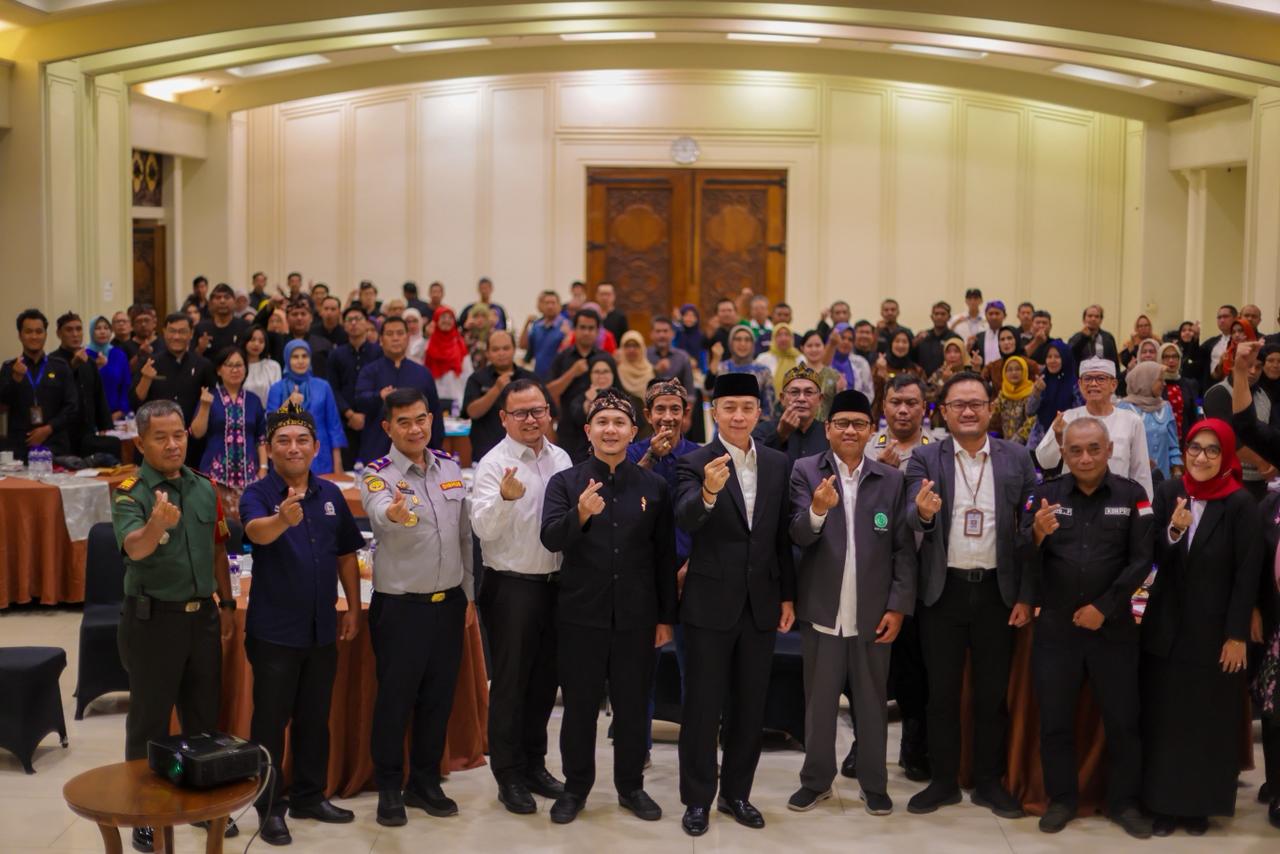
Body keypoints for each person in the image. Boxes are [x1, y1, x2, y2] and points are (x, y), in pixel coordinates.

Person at [539, 389, 677, 824]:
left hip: (637, 617)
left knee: (633, 706)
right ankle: (575, 788)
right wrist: (580, 514)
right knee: (579, 707)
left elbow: (664, 557)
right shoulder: (566, 483)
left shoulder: (654, 487)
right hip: (581, 614)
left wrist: (665, 618)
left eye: (619, 423)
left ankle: (631, 787)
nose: (611, 430)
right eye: (603, 422)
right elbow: (551, 538)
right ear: (589, 431)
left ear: (634, 432)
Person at [904, 370, 1035, 819]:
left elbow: (1028, 530)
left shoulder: (1017, 457)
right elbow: (910, 518)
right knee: (941, 694)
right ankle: (943, 781)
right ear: (944, 411)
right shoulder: (926, 458)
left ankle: (988, 783)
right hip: (943, 593)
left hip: (998, 593)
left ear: (990, 408)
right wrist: (923, 514)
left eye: (976, 403)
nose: (967, 411)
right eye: (958, 404)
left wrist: (1025, 594)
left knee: (990, 696)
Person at [674, 372, 797, 837]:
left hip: (760, 602)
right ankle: (697, 799)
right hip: (709, 603)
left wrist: (787, 595)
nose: (739, 416)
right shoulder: (693, 461)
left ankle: (736, 794)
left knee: (750, 707)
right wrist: (707, 491)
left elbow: (781, 538)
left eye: (747, 407)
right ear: (714, 413)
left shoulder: (778, 463)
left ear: (760, 412)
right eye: (729, 408)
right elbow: (686, 517)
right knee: (702, 707)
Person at [111, 399, 236, 852]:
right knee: (149, 721)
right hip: (153, 622)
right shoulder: (130, 490)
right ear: (141, 442)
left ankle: (203, 805)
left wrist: (227, 603)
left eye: (178, 435)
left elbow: (218, 548)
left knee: (203, 718)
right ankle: (143, 812)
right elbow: (134, 548)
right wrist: (155, 526)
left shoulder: (203, 487)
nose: (172, 445)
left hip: (202, 618)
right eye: (160, 437)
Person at [1023, 417, 1155, 838]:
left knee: (1123, 721)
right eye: (1076, 450)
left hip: (1113, 630)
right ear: (1063, 453)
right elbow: (1020, 556)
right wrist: (1036, 536)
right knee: (1055, 720)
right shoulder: (1044, 496)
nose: (1085, 458)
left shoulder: (1133, 496)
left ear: (1109, 449)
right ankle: (1062, 800)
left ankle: (1125, 803)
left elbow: (1144, 561)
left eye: (1094, 449)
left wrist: (1104, 606)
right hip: (1057, 630)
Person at [786, 389, 916, 816]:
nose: (849, 430)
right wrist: (817, 511)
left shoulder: (890, 480)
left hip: (873, 612)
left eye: (858, 424)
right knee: (819, 704)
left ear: (871, 431)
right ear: (828, 429)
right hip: (823, 608)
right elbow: (797, 535)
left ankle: (874, 784)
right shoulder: (806, 471)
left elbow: (903, 549)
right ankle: (815, 781)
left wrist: (897, 606)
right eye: (841, 423)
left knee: (872, 704)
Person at [239, 404, 365, 845]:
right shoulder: (257, 493)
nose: (293, 448)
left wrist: (352, 608)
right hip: (274, 632)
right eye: (284, 441)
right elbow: (255, 532)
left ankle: (311, 796)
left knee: (315, 718)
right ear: (269, 448)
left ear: (315, 447)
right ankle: (269, 807)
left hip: (321, 628)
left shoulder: (330, 494)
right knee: (270, 723)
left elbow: (346, 553)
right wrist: (282, 519)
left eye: (302, 440)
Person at [359, 389, 475, 827]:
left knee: (437, 699)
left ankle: (425, 782)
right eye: (404, 422)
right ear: (387, 427)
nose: (415, 429)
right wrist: (392, 513)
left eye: (421, 419)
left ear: (431, 420)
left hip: (449, 604)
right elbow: (378, 513)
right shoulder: (378, 475)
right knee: (395, 700)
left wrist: (469, 595)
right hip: (401, 607)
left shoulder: (449, 467)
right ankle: (390, 787)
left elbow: (463, 537)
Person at [1143, 418, 1261, 835]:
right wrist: (1174, 531)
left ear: (1225, 456)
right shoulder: (1169, 493)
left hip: (1214, 634)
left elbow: (1247, 573)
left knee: (1207, 721)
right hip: (1167, 628)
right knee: (1165, 718)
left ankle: (1199, 807)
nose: (1202, 457)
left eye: (1213, 450)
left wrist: (1236, 635)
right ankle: (1162, 804)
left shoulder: (1240, 503)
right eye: (1195, 447)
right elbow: (1149, 556)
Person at [469, 379, 570, 815]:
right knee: (510, 685)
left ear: (548, 412)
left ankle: (534, 765)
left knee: (545, 682)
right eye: (521, 413)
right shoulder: (494, 465)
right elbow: (483, 530)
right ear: (504, 418)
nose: (531, 420)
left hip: (556, 585)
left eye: (538, 410)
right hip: (512, 586)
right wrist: (506, 500)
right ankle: (508, 775)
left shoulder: (561, 458)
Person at [868, 374, 933, 781]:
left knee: (914, 669)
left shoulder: (936, 450)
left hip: (921, 573)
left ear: (924, 407)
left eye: (911, 402)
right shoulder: (866, 446)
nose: (903, 410)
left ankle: (914, 746)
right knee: (866, 670)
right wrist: (881, 473)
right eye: (896, 402)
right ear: (884, 406)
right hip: (872, 571)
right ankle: (863, 745)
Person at [1035, 358, 1154, 500]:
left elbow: (1141, 472)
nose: (1093, 384)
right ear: (1080, 384)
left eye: (1101, 378)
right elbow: (1045, 462)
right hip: (1074, 501)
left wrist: (1144, 508)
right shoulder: (1067, 417)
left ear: (1113, 385)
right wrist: (1059, 438)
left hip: (1117, 503)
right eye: (1088, 379)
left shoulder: (1132, 421)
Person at [354, 316, 445, 462]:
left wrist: (435, 450)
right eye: (390, 334)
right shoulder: (370, 371)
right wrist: (379, 396)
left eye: (400, 333)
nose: (395, 338)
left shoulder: (422, 373)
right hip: (377, 450)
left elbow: (435, 414)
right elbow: (359, 402)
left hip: (417, 452)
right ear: (381, 340)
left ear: (408, 338)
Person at [192, 347, 268, 517]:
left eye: (239, 365)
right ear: (219, 370)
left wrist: (263, 469)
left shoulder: (254, 400)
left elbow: (261, 438)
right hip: (214, 476)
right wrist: (204, 407)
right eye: (229, 365)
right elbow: (197, 433)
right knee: (218, 525)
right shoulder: (209, 397)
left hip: (249, 476)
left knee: (249, 522)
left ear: (245, 369)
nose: (235, 370)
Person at [0, 308, 79, 461]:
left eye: (39, 331)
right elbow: (2, 405)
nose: (34, 336)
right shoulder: (9, 368)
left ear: (45, 334)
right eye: (28, 332)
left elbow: (72, 406)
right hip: (20, 448)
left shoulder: (60, 366)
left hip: (55, 446)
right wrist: (15, 379)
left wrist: (48, 429)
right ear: (20, 335)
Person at [1201, 344, 1273, 498]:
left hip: (1260, 480)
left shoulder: (1263, 396)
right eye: (1249, 365)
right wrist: (1263, 462)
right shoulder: (1218, 393)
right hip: (1227, 478)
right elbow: (1229, 440)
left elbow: (1268, 435)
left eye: (1258, 367)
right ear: (1235, 364)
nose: (1253, 371)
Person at [266, 340, 345, 475]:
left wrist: (338, 464)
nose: (300, 361)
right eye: (295, 357)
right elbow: (270, 424)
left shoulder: (323, 386)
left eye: (304, 356)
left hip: (320, 452)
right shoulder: (277, 388)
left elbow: (334, 425)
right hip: (288, 452)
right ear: (287, 359)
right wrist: (288, 404)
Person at [462, 330, 538, 462]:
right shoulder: (476, 379)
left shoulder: (530, 378)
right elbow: (472, 412)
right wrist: (496, 389)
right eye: (495, 349)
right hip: (486, 454)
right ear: (487, 353)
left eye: (506, 348)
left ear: (514, 350)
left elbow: (545, 412)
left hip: (527, 454)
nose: (501, 353)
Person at [130, 311, 217, 426]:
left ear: (191, 334)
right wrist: (146, 378)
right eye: (172, 331)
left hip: (192, 430)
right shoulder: (149, 363)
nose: (176, 337)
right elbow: (135, 401)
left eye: (182, 332)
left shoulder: (203, 365)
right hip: (156, 429)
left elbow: (212, 401)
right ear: (164, 332)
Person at [53, 311, 113, 457]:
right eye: (69, 330)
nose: (75, 334)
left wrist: (104, 425)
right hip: (63, 433)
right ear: (59, 334)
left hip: (88, 432)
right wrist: (72, 366)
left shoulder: (89, 362)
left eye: (78, 329)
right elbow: (54, 394)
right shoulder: (52, 362)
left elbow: (98, 395)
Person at [1116, 361, 1183, 480]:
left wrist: (1177, 471)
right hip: (1133, 480)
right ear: (1146, 380)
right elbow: (1119, 448)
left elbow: (1173, 445)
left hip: (1163, 480)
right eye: (1160, 380)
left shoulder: (1165, 407)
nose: (1164, 384)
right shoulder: (1124, 408)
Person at [752, 365, 828, 465]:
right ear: (782, 398)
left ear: (820, 399)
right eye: (794, 392)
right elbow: (755, 464)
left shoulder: (829, 433)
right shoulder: (763, 430)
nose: (801, 399)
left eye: (808, 392)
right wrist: (780, 435)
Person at [559, 355, 625, 464]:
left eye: (606, 371)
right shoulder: (579, 399)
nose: (601, 376)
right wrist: (589, 401)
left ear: (614, 374)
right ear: (590, 375)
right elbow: (577, 420)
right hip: (584, 456)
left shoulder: (625, 400)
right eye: (596, 372)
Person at [709, 324, 777, 419]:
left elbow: (768, 408)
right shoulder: (722, 368)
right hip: (724, 424)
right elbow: (708, 391)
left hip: (756, 425)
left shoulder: (763, 371)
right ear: (731, 343)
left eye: (747, 340)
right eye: (738, 339)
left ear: (753, 344)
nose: (742, 344)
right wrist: (715, 359)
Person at [547, 309, 613, 406]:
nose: (586, 332)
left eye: (591, 328)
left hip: (599, 413)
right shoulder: (562, 357)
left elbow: (614, 392)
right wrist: (572, 372)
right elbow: (549, 393)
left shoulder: (606, 358)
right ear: (574, 329)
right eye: (582, 327)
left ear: (597, 331)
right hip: (567, 414)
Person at [1027, 341, 1080, 450]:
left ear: (1065, 358)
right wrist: (1036, 392)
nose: (1052, 360)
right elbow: (1029, 411)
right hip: (1039, 440)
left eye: (1057, 357)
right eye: (1049, 357)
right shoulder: (1042, 380)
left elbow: (1079, 415)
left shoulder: (1075, 385)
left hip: (1066, 440)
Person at [424, 306, 471, 408]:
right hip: (432, 395)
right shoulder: (428, 342)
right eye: (443, 317)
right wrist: (426, 336)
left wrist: (467, 398)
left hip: (455, 396)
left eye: (450, 318)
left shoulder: (459, 343)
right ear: (436, 320)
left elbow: (468, 372)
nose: (447, 320)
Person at [871, 329, 925, 415]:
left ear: (910, 345)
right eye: (897, 341)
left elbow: (922, 396)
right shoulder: (880, 365)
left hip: (909, 416)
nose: (900, 345)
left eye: (904, 342)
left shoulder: (916, 370)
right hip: (882, 416)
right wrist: (881, 373)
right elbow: (872, 393)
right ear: (891, 344)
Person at [88, 315, 131, 419]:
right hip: (90, 415)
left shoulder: (119, 354)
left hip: (116, 415)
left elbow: (126, 385)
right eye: (98, 328)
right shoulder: (84, 355)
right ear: (91, 331)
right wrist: (96, 367)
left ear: (111, 331)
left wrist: (120, 411)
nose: (103, 332)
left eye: (106, 328)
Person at [521, 290, 569, 380]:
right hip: (539, 376)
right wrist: (526, 325)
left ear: (559, 306)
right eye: (547, 303)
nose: (550, 306)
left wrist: (568, 335)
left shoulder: (567, 325)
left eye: (553, 303)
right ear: (542, 306)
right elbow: (524, 346)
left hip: (559, 377)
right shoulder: (536, 326)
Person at [990, 356, 1040, 444]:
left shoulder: (1031, 392)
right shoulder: (1003, 393)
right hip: (1007, 442)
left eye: (1018, 369)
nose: (1014, 373)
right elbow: (992, 413)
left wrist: (1018, 438)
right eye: (1010, 370)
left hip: (1026, 444)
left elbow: (1032, 420)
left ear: (1024, 371)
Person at [798, 329, 844, 420]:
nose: (814, 349)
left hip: (827, 425)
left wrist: (840, 391)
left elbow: (840, 405)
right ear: (802, 348)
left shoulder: (834, 375)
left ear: (824, 347)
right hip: (801, 424)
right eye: (809, 346)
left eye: (818, 345)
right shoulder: (796, 374)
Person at [194, 284, 252, 357]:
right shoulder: (201, 328)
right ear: (210, 303)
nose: (222, 301)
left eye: (227, 297)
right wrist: (200, 349)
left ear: (234, 302)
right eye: (218, 297)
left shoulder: (245, 327)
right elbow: (191, 357)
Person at [1158, 341, 1198, 441]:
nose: (1171, 360)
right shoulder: (1155, 384)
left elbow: (1193, 416)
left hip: (1184, 439)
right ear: (1159, 359)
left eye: (1175, 356)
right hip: (1160, 440)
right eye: (1166, 357)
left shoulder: (1189, 384)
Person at [1067, 305, 1119, 374]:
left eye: (1097, 316)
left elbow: (1114, 362)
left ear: (1101, 320)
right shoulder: (1076, 337)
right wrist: (1084, 338)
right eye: (1090, 316)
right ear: (1084, 319)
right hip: (1082, 376)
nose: (1093, 319)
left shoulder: (1108, 337)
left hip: (1104, 376)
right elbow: (1069, 356)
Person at [648, 316, 695, 393]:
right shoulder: (644, 356)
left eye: (665, 331)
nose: (662, 335)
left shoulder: (683, 357)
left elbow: (690, 391)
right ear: (651, 334)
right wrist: (654, 370)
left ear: (672, 334)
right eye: (658, 331)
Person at [914, 301, 961, 377]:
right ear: (931, 317)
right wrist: (915, 343)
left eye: (943, 314)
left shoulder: (955, 338)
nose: (939, 317)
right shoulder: (922, 337)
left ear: (949, 317)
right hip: (923, 381)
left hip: (948, 380)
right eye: (936, 314)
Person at [755, 322, 801, 399]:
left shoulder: (799, 358)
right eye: (779, 335)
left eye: (787, 334)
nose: (783, 338)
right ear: (773, 338)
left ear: (792, 338)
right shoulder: (763, 358)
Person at [242, 326, 282, 412]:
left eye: (261, 341)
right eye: (252, 340)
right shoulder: (238, 366)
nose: (256, 344)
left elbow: (277, 394)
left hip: (269, 413)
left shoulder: (273, 366)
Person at [617, 330, 656, 408]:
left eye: (635, 345)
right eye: (627, 346)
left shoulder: (652, 371)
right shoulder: (616, 372)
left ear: (642, 348)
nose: (631, 349)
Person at [1201, 304, 1238, 384]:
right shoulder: (1211, 342)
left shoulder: (1242, 340)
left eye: (1225, 316)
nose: (1222, 320)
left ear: (1235, 319)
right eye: (1219, 317)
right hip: (1214, 385)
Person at [969, 301, 1008, 366]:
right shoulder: (979, 337)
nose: (994, 317)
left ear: (1004, 315)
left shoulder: (1010, 335)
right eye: (990, 314)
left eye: (997, 313)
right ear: (986, 316)